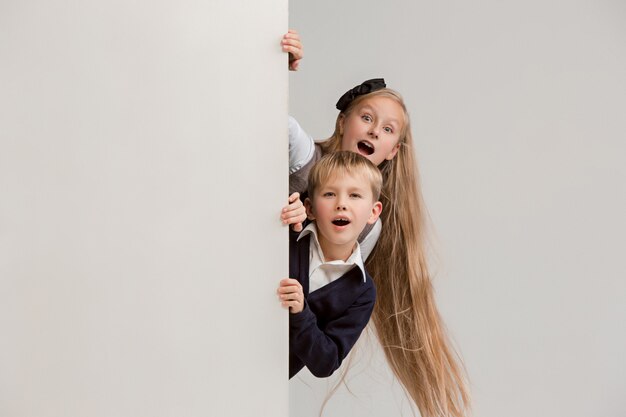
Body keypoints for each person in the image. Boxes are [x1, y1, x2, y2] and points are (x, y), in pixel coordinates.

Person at [280, 35, 471, 416]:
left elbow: (329, 280)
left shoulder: (369, 230)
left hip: (279, 343)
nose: (373, 131)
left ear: (393, 151)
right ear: (343, 121)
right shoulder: (308, 161)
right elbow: (278, 125)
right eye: (366, 118)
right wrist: (274, 69)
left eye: (387, 130)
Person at [277, 151, 383, 378]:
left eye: (355, 195)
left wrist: (300, 313)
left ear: (373, 212)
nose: (341, 204)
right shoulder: (287, 235)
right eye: (329, 194)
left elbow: (326, 362)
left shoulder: (362, 291)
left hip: (266, 386)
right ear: (310, 208)